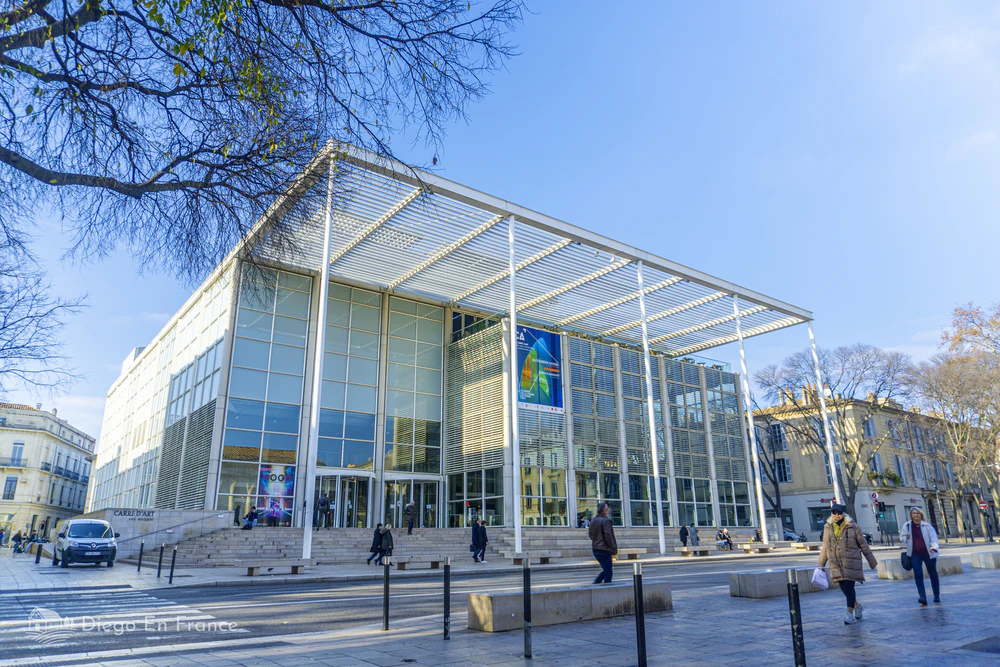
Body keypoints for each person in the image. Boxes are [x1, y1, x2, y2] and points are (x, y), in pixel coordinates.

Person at [818, 504, 878, 625]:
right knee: (843, 586)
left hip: (851, 561)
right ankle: (856, 605)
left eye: (839, 513)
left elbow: (863, 545)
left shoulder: (853, 526)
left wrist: (872, 561)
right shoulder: (827, 527)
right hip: (836, 562)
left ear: (843, 513)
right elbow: (825, 546)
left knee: (849, 587)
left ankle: (850, 615)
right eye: (834, 513)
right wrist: (821, 563)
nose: (836, 515)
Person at [900, 507, 941, 605]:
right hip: (915, 554)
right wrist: (905, 538)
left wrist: (934, 548)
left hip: (929, 554)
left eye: (918, 513)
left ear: (921, 515)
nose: (916, 515)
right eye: (914, 513)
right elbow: (902, 536)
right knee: (918, 575)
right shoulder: (907, 525)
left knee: (933, 574)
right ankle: (922, 596)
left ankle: (936, 595)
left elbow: (934, 539)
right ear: (911, 515)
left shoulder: (927, 526)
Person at [588, 502, 618, 584]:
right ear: (603, 511)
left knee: (607, 569)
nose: (608, 511)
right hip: (604, 549)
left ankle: (596, 583)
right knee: (608, 571)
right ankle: (604, 587)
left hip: (596, 548)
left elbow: (590, 534)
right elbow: (608, 536)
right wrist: (614, 548)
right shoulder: (606, 520)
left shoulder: (594, 520)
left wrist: (596, 541)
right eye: (607, 509)